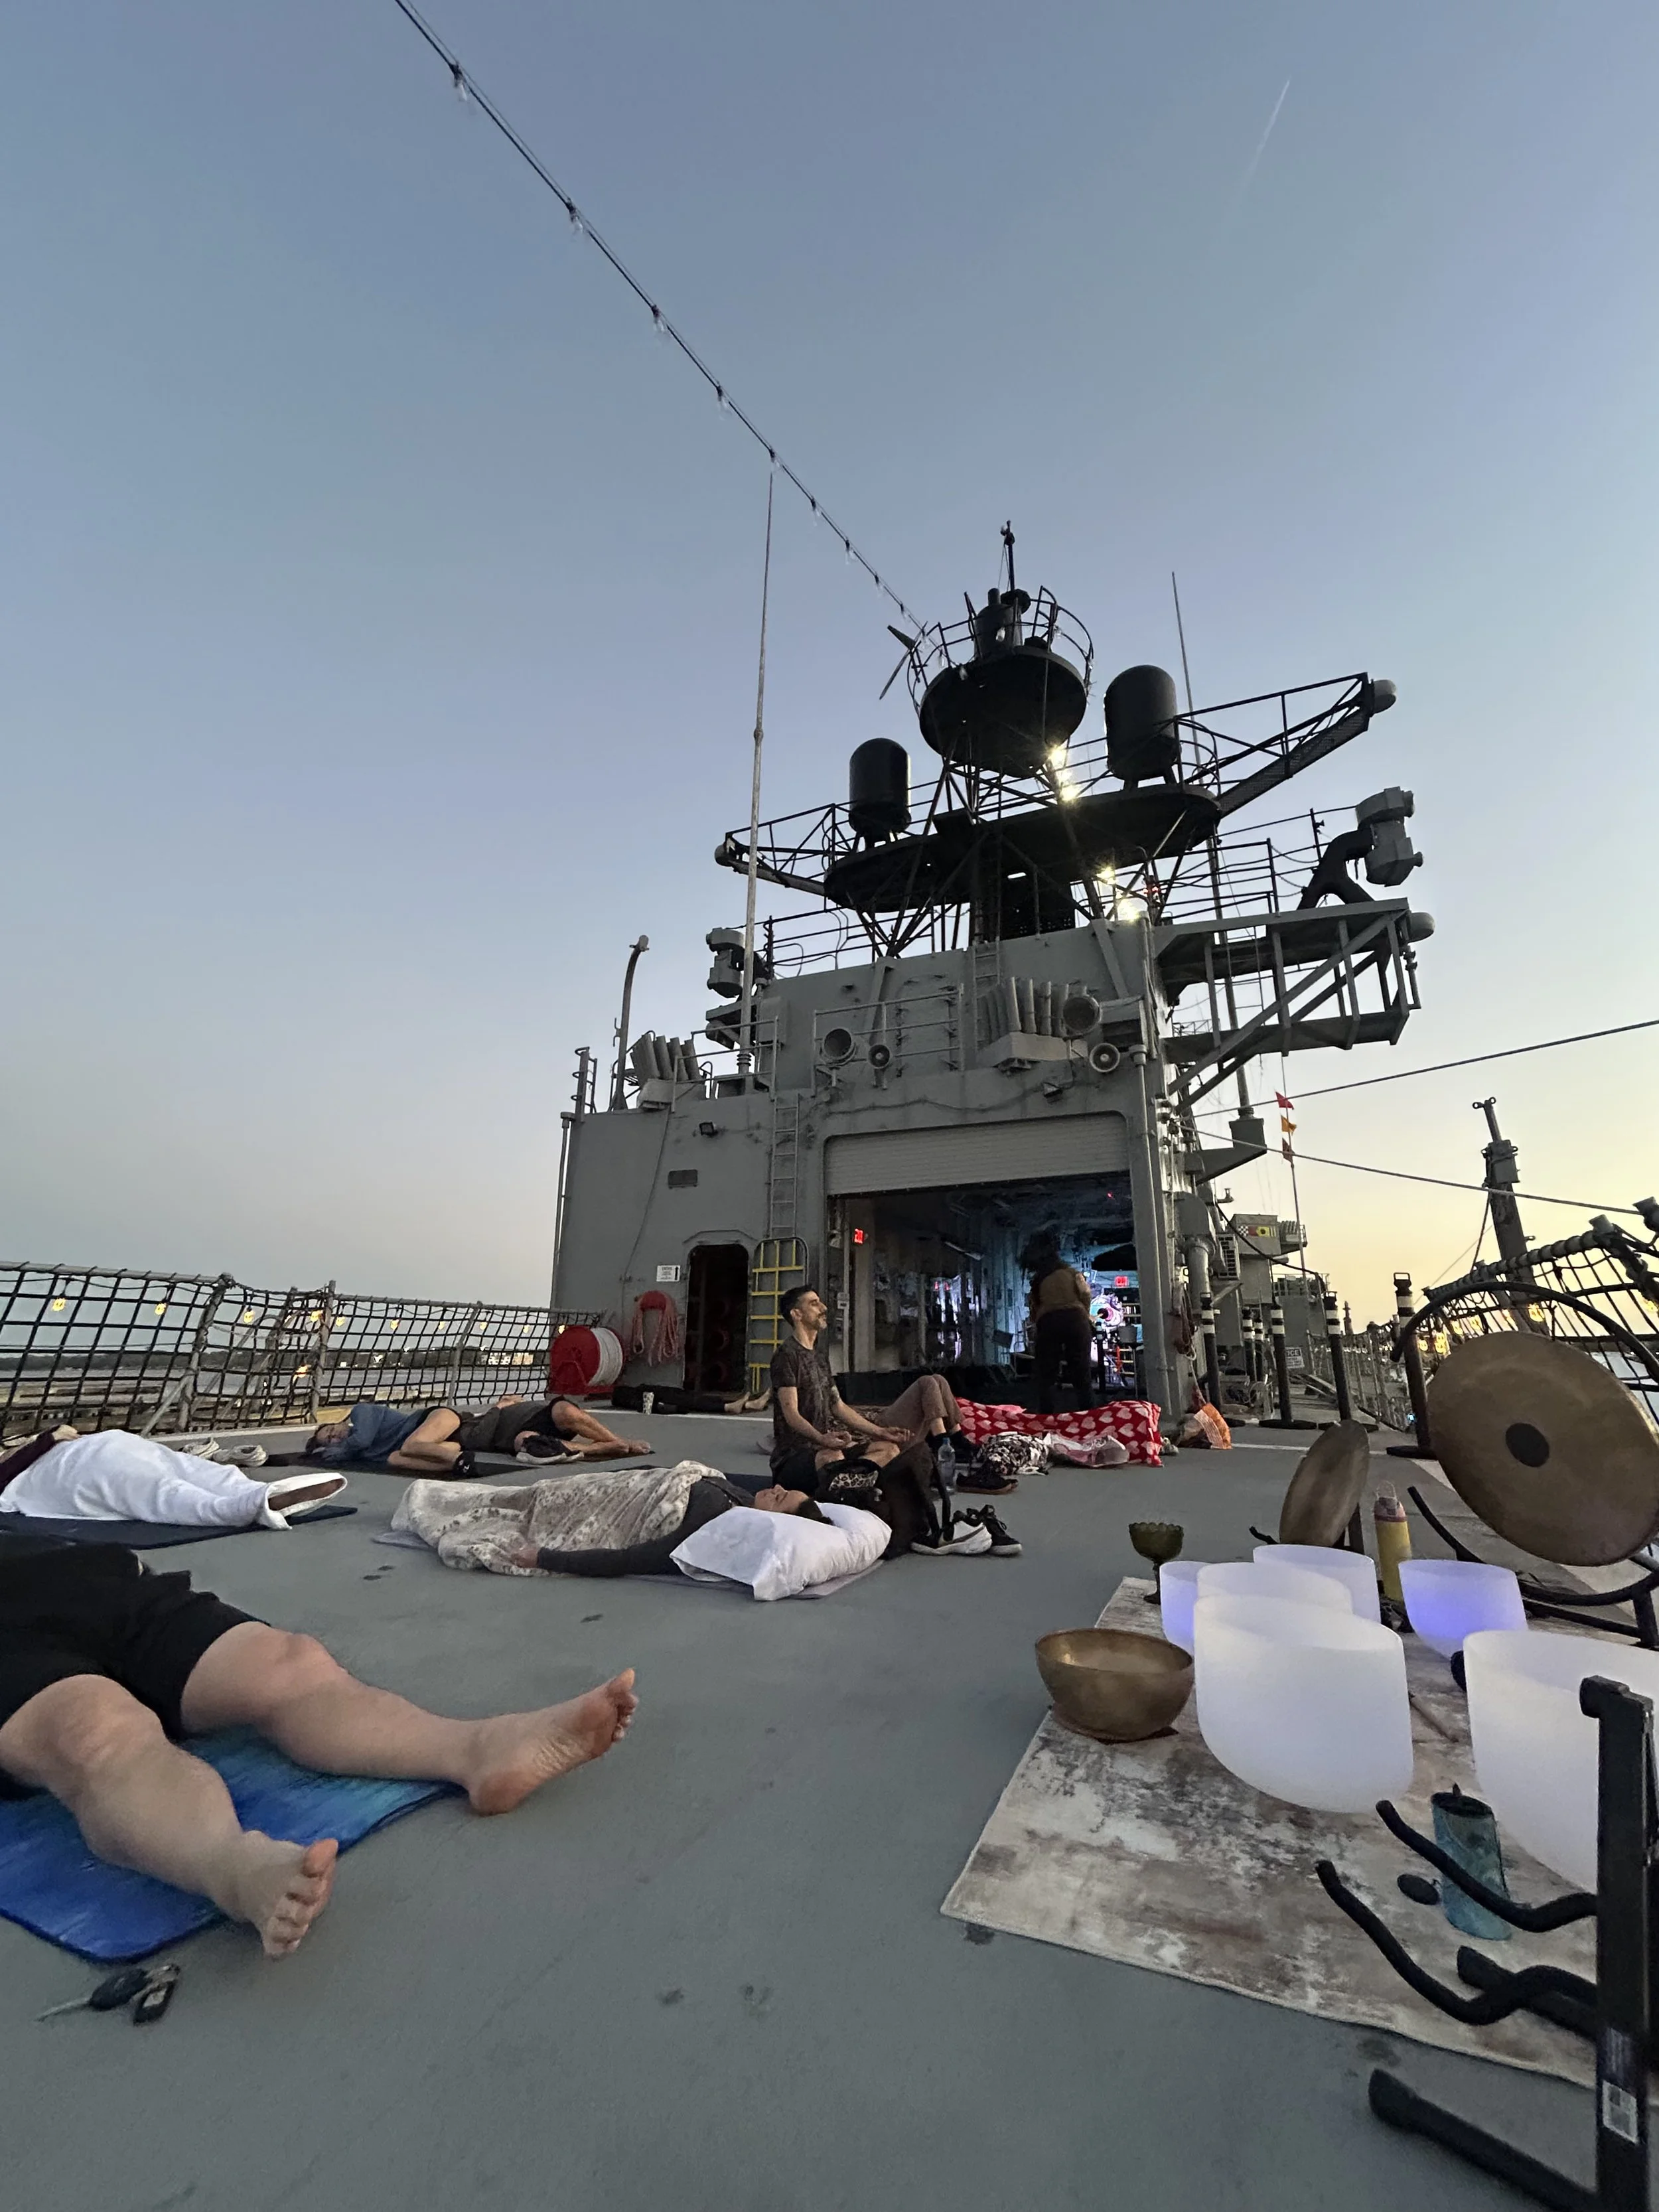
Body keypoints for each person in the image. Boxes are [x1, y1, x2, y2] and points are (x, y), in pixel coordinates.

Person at [0, 1527, 636, 1958]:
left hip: (82, 1582)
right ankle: (233, 1865)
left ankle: (476, 1749)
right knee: (97, 1732)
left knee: (291, 1664)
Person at [767, 1286, 964, 1493]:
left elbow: (839, 1406)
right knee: (832, 1457)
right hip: (794, 1458)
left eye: (820, 1302)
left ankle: (854, 1485)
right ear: (796, 1314)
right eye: (814, 1304)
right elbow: (792, 1414)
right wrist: (821, 1438)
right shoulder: (786, 1356)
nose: (823, 1308)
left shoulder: (819, 1357)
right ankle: (856, 1486)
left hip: (825, 1447)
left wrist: (882, 1432)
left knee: (889, 1449)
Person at [0, 1426, 346, 1531]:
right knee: (149, 1485)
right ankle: (242, 1506)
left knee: (185, 1466)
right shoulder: (19, 1462)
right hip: (53, 1473)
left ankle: (261, 1489)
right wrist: (47, 1440)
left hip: (101, 1444)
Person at [508, 1476, 828, 1578]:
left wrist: (545, 1558)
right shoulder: (742, 1499)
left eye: (780, 1498)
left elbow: (631, 1559)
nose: (776, 1487)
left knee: (522, 1504)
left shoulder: (710, 1531)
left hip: (612, 1503)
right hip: (632, 1482)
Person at [307, 1395, 648, 1473]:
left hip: (441, 1421)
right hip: (477, 1436)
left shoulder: (361, 1416)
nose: (335, 1439)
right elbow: (366, 1451)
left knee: (566, 1412)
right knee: (528, 1444)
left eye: (332, 1433)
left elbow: (360, 1440)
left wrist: (332, 1451)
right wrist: (324, 1452)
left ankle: (615, 1442)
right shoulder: (367, 1451)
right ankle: (602, 1450)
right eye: (330, 1441)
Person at [1028, 1243, 1096, 1416]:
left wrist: (1039, 1326)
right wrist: (1086, 1314)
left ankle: (1046, 1415)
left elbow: (1034, 1309)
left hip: (1049, 1321)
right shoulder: (1072, 1273)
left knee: (1047, 1373)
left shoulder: (1039, 1280)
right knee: (1082, 1371)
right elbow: (1086, 1293)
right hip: (1076, 1319)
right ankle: (1089, 1414)